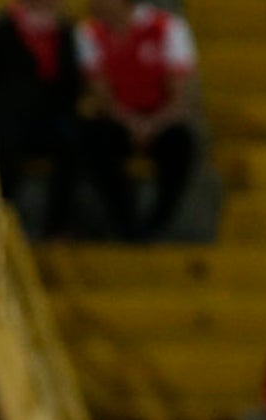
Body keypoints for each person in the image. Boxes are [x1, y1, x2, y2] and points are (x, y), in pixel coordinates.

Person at [75, 0, 199, 240]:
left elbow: (181, 96)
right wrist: (132, 124)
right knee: (93, 140)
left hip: (160, 119)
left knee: (181, 143)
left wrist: (152, 125)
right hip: (118, 120)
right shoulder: (89, 33)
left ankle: (157, 224)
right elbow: (101, 95)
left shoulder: (167, 28)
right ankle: (125, 224)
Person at [0, 0, 84, 238]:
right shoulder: (3, 25)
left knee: (75, 142)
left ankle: (57, 227)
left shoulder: (65, 30)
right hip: (9, 118)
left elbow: (73, 82)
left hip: (50, 119)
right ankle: (2, 220)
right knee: (5, 145)